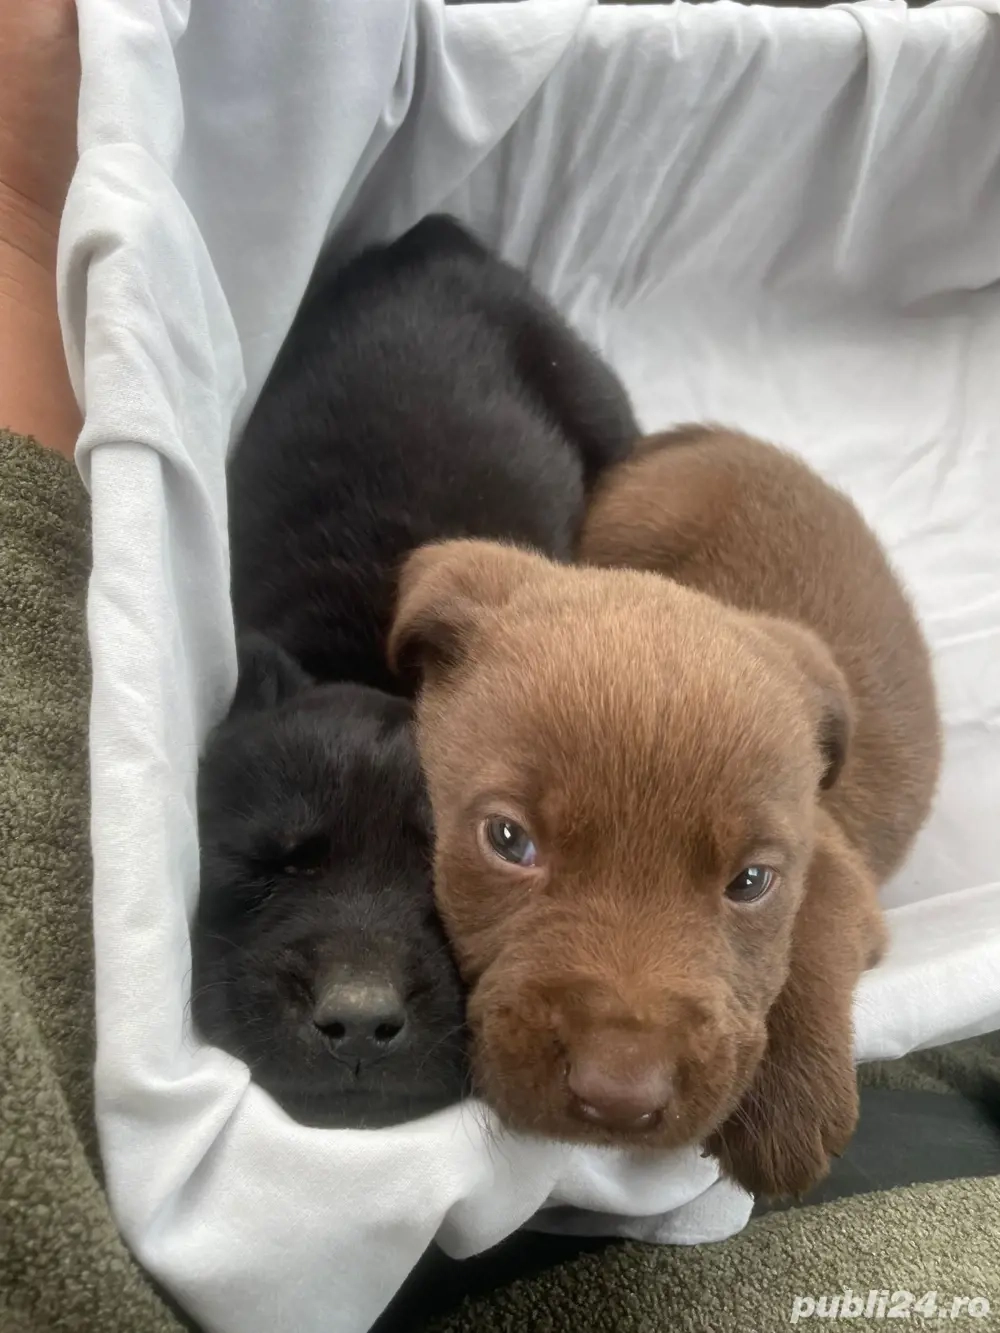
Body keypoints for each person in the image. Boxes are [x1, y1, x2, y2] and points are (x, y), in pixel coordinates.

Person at [1, 7, 996, 1333]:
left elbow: (801, 849)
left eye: (750, 878)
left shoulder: (739, 717)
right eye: (515, 840)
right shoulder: (401, 659)